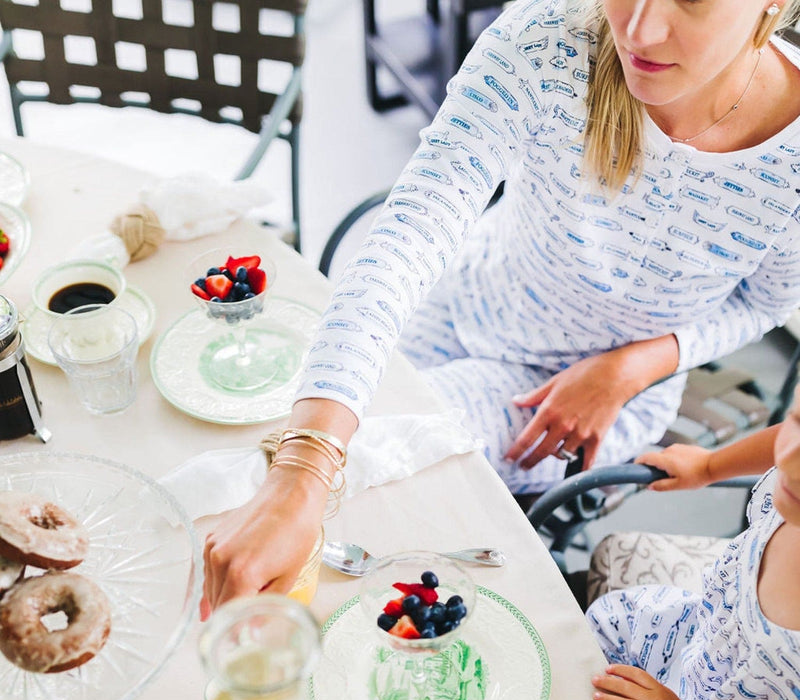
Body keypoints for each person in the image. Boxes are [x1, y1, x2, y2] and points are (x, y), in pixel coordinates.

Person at [202, 0, 800, 616]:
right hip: (469, 298)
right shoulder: (549, 38)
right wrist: (304, 463)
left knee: (368, 479)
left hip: (570, 392)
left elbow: (763, 303)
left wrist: (634, 368)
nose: (639, 30)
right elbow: (412, 231)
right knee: (276, 430)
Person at [589, 400, 800, 700]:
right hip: (700, 645)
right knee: (603, 622)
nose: (789, 458)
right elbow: (779, 441)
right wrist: (708, 465)